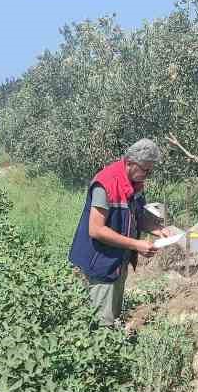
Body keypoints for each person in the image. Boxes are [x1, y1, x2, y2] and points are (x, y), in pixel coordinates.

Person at [69, 139, 166, 326]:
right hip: (101, 263)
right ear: (130, 162)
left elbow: (138, 216)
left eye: (150, 171)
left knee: (112, 316)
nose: (147, 175)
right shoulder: (105, 183)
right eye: (145, 170)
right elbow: (96, 230)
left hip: (118, 262)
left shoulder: (136, 183)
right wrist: (136, 244)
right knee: (101, 325)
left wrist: (158, 230)